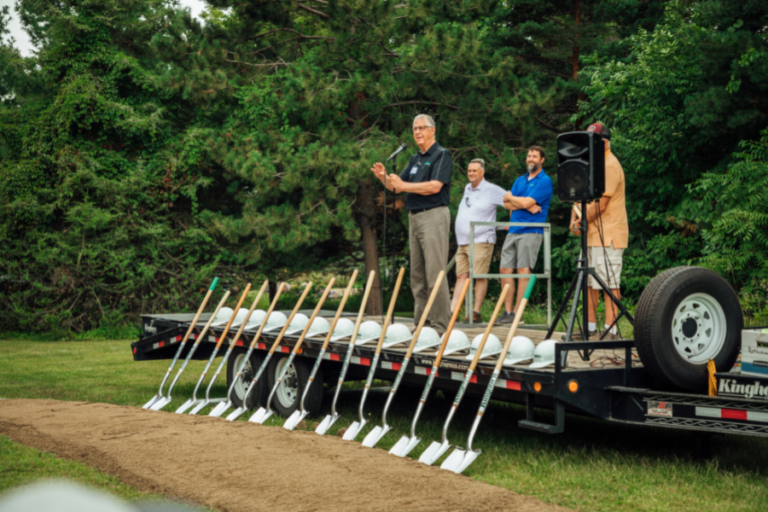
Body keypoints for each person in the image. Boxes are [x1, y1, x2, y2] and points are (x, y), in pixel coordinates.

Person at [370, 114, 452, 331]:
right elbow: (397, 186)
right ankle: (422, 323)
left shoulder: (442, 155)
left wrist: (404, 186)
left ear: (432, 130)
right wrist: (383, 178)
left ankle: (440, 325)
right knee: (417, 275)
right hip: (414, 217)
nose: (417, 132)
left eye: (422, 128)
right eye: (414, 128)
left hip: (434, 215)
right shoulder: (415, 159)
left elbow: (435, 186)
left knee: (435, 273)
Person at [569, 123, 628, 340]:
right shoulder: (592, 163)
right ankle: (590, 327)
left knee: (608, 283)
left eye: (592, 140)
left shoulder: (610, 165)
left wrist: (581, 220)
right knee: (589, 282)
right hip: (591, 233)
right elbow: (578, 195)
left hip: (609, 234)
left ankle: (611, 331)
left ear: (604, 142)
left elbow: (602, 205)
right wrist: (574, 218)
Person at [497, 146, 553, 325]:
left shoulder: (545, 181)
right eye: (529, 156)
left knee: (523, 270)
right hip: (513, 230)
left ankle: (518, 314)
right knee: (504, 269)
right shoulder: (520, 180)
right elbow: (505, 204)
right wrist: (525, 204)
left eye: (534, 156)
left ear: (542, 160)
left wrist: (516, 200)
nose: (530, 159)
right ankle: (508, 312)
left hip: (531, 231)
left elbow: (512, 199)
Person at [451, 158, 507, 323]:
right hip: (463, 242)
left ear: (482, 172)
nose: (471, 173)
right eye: (469, 171)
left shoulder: (491, 189)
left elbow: (511, 200)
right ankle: (452, 312)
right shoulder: (467, 187)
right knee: (461, 276)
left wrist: (511, 222)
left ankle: (475, 312)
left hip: (482, 239)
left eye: (475, 170)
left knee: (479, 275)